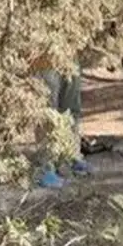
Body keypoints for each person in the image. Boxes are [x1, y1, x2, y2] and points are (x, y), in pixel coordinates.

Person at [29, 55, 92, 188]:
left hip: (69, 53)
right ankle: (46, 167)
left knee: (71, 109)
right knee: (47, 113)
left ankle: (70, 157)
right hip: (44, 56)